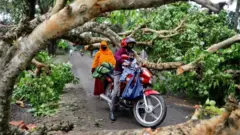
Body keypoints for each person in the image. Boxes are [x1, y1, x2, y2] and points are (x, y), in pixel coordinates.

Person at [110, 37, 136, 121]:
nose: (131, 45)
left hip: (128, 72)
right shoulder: (122, 50)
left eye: (132, 44)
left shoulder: (131, 52)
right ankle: (112, 111)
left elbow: (135, 60)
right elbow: (116, 55)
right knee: (116, 90)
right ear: (125, 44)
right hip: (119, 72)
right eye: (130, 44)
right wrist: (122, 61)